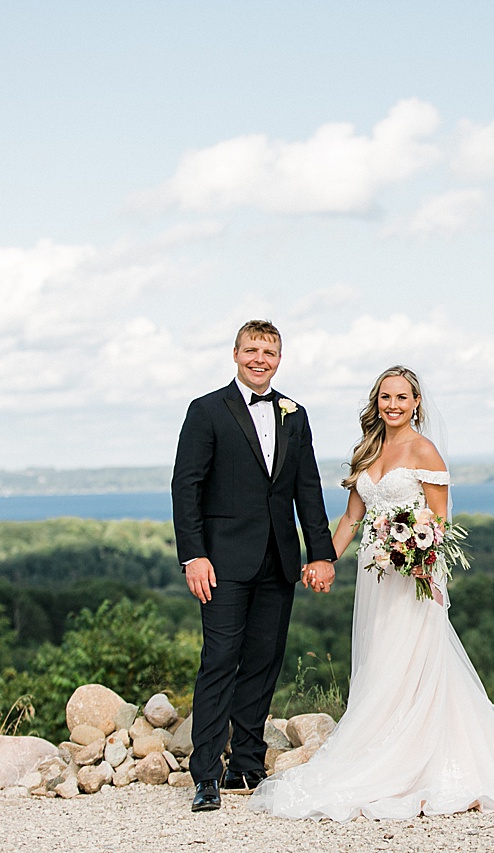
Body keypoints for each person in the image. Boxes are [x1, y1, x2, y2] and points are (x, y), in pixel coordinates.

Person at [248, 366, 494, 821]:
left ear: (416, 404)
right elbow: (351, 518)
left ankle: (418, 760)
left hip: (414, 578)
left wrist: (416, 555)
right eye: (386, 397)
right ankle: (382, 745)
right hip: (376, 576)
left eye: (402, 398)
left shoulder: (425, 450)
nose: (393, 405)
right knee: (378, 658)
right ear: (377, 401)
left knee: (410, 660)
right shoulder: (367, 451)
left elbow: (440, 522)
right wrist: (325, 559)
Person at [171, 320, 338, 813]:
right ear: (236, 354)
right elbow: (187, 487)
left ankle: (247, 762)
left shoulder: (295, 413)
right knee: (220, 661)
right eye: (252, 349)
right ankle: (205, 775)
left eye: (269, 351)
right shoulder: (205, 411)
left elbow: (308, 488)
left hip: (278, 561)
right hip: (220, 562)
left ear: (279, 359)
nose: (260, 358)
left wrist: (321, 553)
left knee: (264, 663)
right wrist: (193, 554)